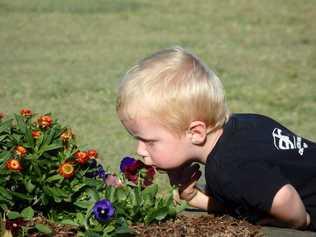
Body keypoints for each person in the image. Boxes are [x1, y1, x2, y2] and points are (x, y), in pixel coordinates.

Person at [116, 46, 316, 231]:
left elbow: (285, 201)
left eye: (149, 141)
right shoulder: (242, 126)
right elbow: (245, 199)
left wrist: (294, 221)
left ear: (195, 132)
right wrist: (195, 197)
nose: (140, 150)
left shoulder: (228, 168)